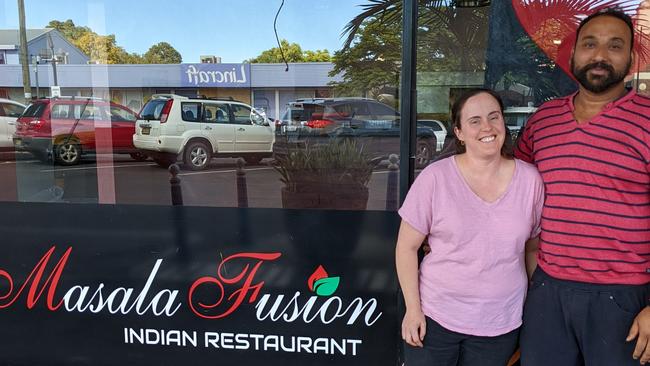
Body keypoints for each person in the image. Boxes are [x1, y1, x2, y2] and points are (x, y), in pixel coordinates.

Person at [514, 8, 650, 366]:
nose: (600, 55)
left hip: (625, 298)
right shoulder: (543, 121)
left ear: (631, 58)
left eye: (615, 46)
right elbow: (512, 195)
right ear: (573, 55)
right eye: (589, 44)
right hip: (547, 290)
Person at [396, 88, 544, 366]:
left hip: (500, 323)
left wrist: (534, 309)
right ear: (459, 132)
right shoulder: (435, 179)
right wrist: (413, 310)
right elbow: (406, 247)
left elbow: (532, 249)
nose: (486, 127)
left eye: (494, 117)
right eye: (474, 120)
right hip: (435, 317)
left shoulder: (530, 181)